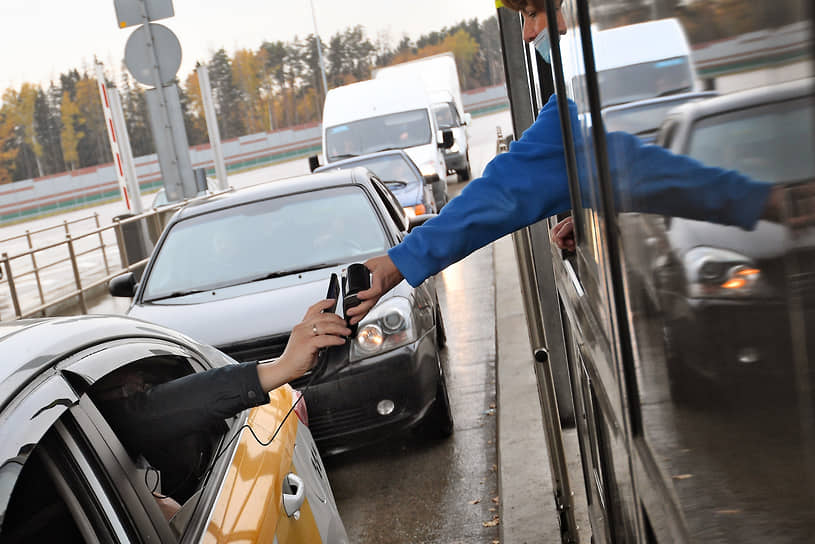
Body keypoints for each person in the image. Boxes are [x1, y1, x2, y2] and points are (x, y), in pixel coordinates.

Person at [345, 0, 805, 325]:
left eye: (532, 12)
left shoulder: (569, 116)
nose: (528, 32)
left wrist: (398, 262)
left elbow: (501, 193)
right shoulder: (578, 102)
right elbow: (641, 168)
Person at [92, 299, 350, 516]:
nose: (139, 386)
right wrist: (282, 368)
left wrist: (281, 367)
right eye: (133, 391)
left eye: (146, 384)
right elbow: (152, 412)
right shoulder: (119, 424)